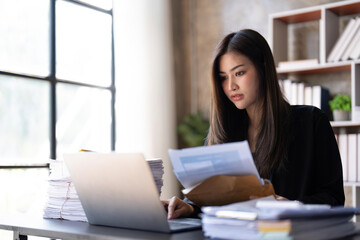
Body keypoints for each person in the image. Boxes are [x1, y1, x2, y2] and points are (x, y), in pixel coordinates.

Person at [163, 29, 345, 220]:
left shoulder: (311, 122)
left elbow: (333, 199)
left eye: (239, 73)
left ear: (263, 68)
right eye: (223, 77)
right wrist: (191, 208)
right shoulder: (221, 133)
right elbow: (215, 201)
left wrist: (294, 206)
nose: (231, 86)